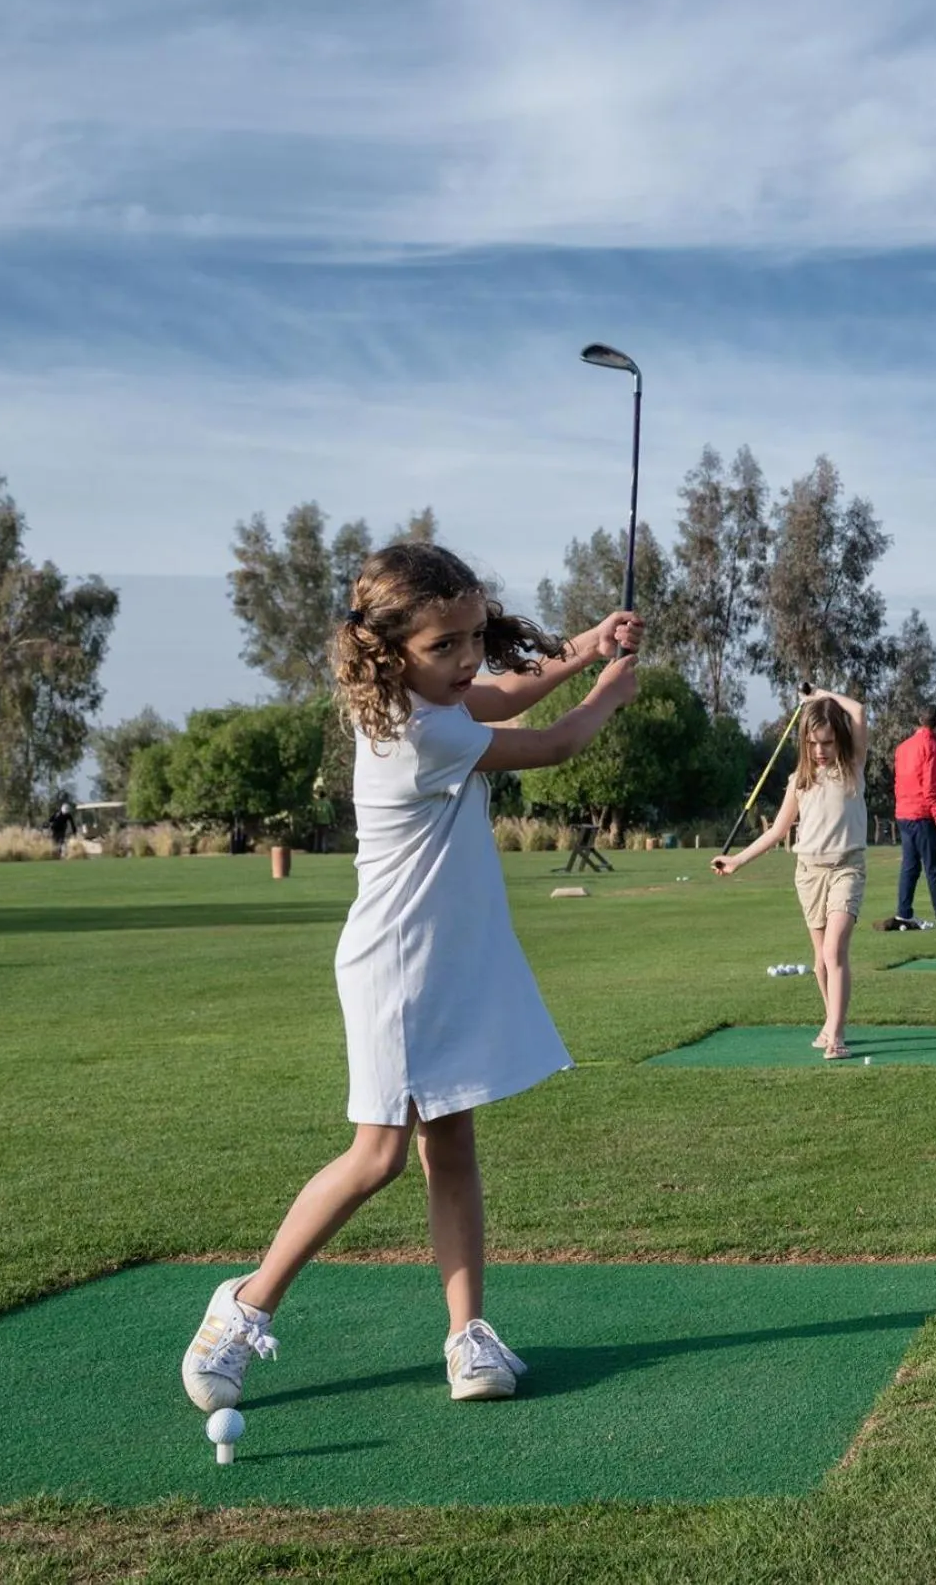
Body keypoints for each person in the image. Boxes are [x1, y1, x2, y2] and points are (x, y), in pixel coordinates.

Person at [182, 542, 641, 1411]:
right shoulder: (418, 735)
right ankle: (241, 1308)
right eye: (446, 646)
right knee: (378, 1156)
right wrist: (606, 692)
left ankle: (468, 1336)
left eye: (474, 635)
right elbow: (548, 742)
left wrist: (583, 647)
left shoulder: (421, 702)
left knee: (452, 1141)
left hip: (447, 958)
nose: (468, 659)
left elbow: (495, 692)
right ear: (390, 651)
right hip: (396, 967)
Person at [711, 690, 867, 1060]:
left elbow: (858, 710)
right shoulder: (800, 780)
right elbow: (777, 832)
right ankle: (829, 1022)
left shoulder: (854, 766)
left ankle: (837, 1034)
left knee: (835, 951)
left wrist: (819, 696)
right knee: (820, 960)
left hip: (847, 868)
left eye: (827, 742)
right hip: (808, 873)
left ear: (839, 740)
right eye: (813, 743)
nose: (820, 751)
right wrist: (736, 861)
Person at [876, 704, 936, 932]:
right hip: (921, 813)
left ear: (920, 720)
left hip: (904, 813)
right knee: (934, 865)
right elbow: (931, 788)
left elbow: (898, 782)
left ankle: (904, 913)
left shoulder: (903, 747)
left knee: (910, 866)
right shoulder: (932, 748)